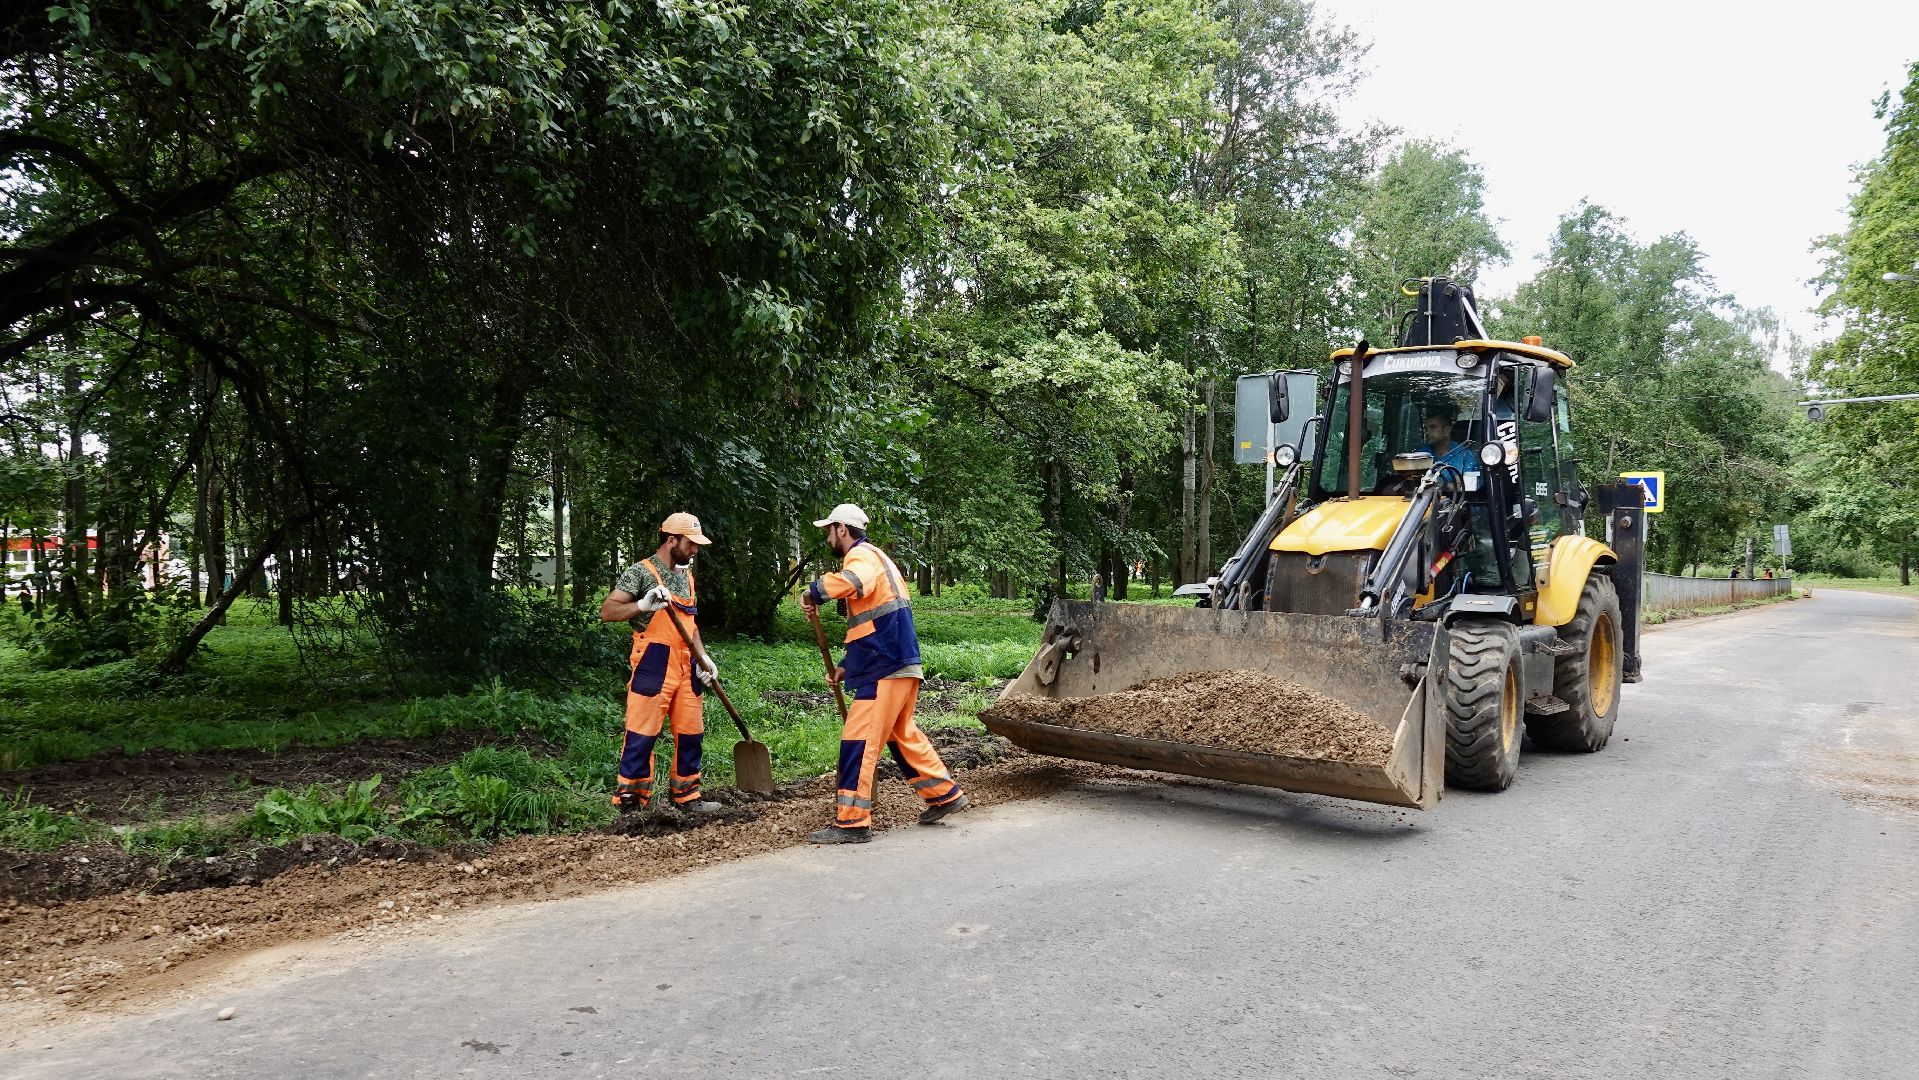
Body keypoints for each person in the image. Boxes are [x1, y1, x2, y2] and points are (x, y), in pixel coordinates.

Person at [799, 503, 968, 844]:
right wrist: (848, 666)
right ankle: (943, 794)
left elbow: (854, 582)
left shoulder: (859, 558)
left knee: (858, 742)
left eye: (829, 530)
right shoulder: (880, 558)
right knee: (901, 734)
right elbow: (870, 624)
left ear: (842, 530)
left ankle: (852, 822)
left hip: (884, 668)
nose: (828, 537)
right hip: (898, 663)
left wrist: (813, 591)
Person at [599, 513, 723, 815]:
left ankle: (687, 796)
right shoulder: (640, 573)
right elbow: (608, 611)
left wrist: (702, 658)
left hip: (685, 664)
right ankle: (631, 802)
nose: (694, 550)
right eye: (690, 544)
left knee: (691, 731)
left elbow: (690, 626)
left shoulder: (687, 578)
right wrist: (642, 605)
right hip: (654, 661)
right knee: (642, 732)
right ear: (671, 540)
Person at [1421, 398, 1478, 477]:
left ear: (1447, 430)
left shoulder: (1465, 457)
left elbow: (1467, 486)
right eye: (1426, 428)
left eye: (1433, 427)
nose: (1427, 432)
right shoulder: (1422, 454)